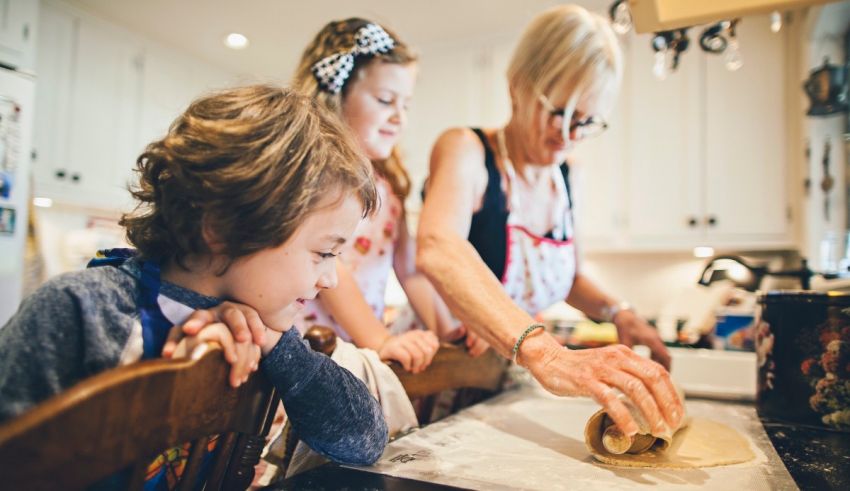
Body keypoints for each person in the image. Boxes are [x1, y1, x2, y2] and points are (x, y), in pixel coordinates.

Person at [0, 85, 388, 485]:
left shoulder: (264, 329)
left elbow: (365, 442)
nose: (331, 278)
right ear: (222, 229)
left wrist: (279, 346)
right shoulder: (81, 310)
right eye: (324, 253)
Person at [416, 4, 683, 437]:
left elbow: (570, 279)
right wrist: (548, 353)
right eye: (558, 112)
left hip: (512, 385)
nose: (568, 134)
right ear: (517, 86)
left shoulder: (566, 174)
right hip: (447, 376)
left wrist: (620, 312)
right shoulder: (466, 150)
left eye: (585, 121)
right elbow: (437, 245)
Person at [290, 18, 447, 373]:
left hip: (359, 349)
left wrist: (448, 327)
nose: (399, 117)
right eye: (385, 100)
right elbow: (333, 271)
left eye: (405, 104)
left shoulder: (389, 182)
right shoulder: (320, 173)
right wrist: (379, 339)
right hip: (312, 348)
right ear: (336, 95)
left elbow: (411, 271)